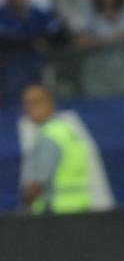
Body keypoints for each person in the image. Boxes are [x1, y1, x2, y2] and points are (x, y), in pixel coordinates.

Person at [18, 84, 114, 214]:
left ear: (50, 103)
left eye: (36, 102)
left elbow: (38, 182)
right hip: (78, 206)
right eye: (27, 103)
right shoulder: (66, 130)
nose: (29, 108)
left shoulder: (49, 137)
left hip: (56, 211)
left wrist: (25, 204)